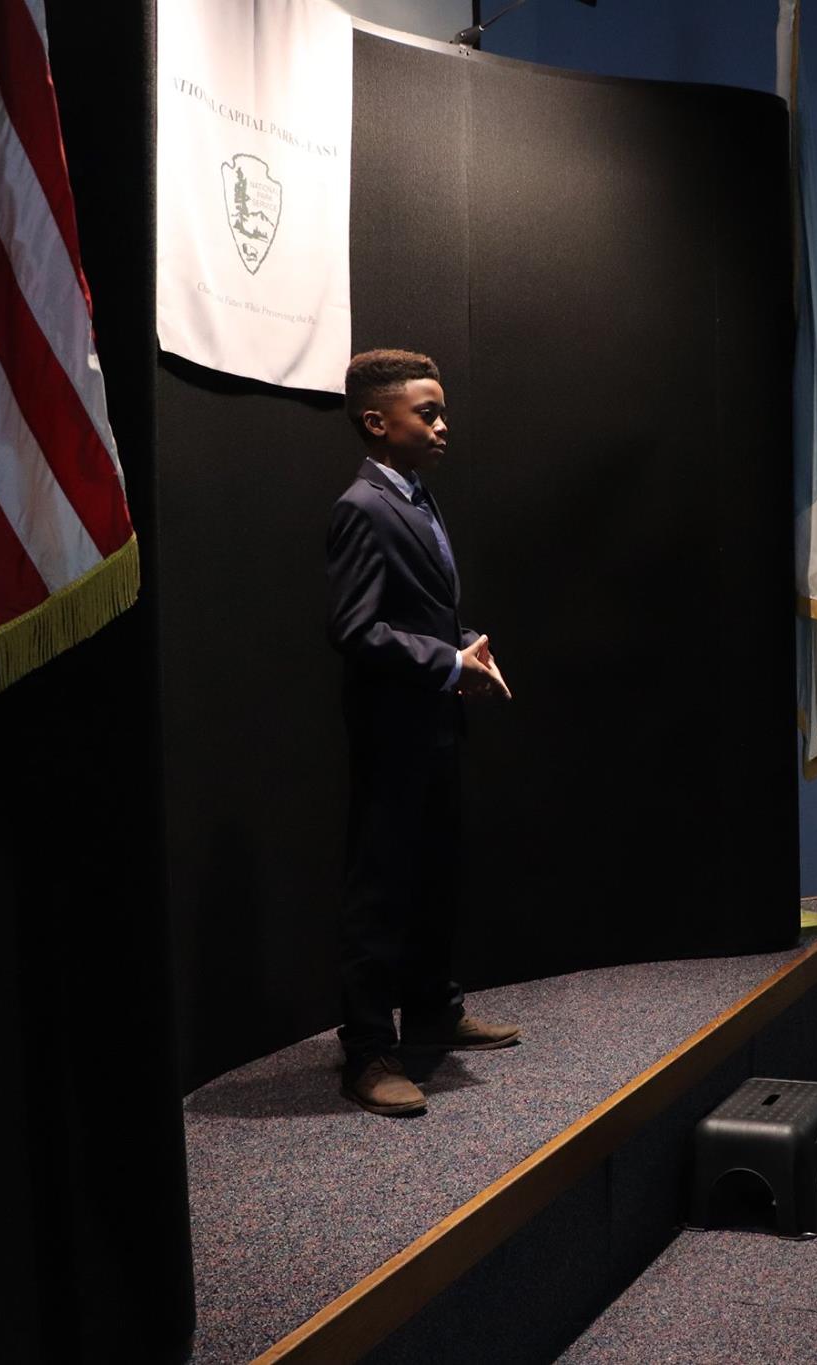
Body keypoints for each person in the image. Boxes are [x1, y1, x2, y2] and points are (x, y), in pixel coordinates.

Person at [326, 349, 519, 1117]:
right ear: (377, 421)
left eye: (441, 411)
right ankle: (368, 1049)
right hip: (392, 733)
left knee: (436, 874)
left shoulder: (416, 497)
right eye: (427, 413)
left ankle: (433, 1010)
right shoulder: (361, 507)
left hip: (435, 723)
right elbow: (354, 629)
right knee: (382, 890)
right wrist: (444, 660)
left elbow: (418, 610)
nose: (443, 426)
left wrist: (462, 644)